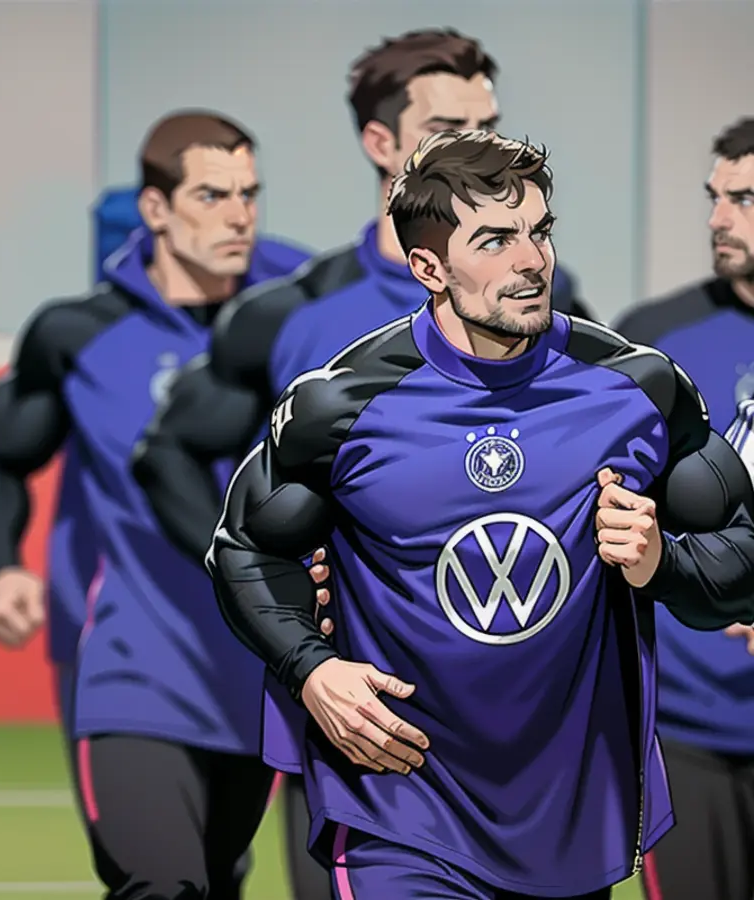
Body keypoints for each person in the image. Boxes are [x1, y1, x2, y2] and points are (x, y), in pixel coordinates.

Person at [206, 129, 754, 900]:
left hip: (567, 813)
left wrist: (662, 561)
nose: (531, 260)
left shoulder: (639, 390)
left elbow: (747, 564)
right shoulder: (342, 406)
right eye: (495, 240)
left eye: (539, 232)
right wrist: (313, 669)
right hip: (397, 805)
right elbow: (243, 551)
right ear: (428, 266)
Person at [130, 35, 594, 894]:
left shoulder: (559, 320)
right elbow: (171, 458)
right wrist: (293, 597)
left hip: (525, 735)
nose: (477, 146)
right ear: (384, 146)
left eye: (489, 124)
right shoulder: (292, 317)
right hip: (358, 708)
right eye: (450, 126)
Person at [0, 110, 309, 899]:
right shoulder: (78, 335)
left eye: (249, 195)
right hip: (130, 662)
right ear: (156, 210)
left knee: (215, 879)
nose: (239, 216)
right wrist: (2, 567)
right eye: (212, 195)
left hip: (262, 668)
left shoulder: (295, 324)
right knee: (157, 884)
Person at [612, 117, 754, 900]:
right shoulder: (651, 344)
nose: (716, 219)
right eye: (713, 197)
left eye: (743, 198)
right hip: (689, 727)